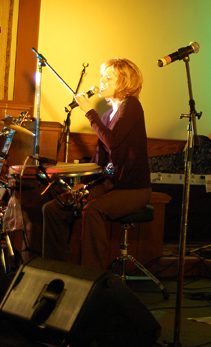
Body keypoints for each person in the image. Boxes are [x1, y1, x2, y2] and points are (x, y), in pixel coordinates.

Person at [43, 58, 152, 270]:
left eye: (108, 77)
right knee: (54, 208)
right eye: (102, 76)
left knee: (92, 211)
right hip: (109, 185)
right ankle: (54, 269)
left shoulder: (131, 106)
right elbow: (99, 160)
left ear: (124, 83)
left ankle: (91, 277)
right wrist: (83, 184)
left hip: (133, 189)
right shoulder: (107, 114)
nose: (101, 81)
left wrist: (88, 112)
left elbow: (112, 140)